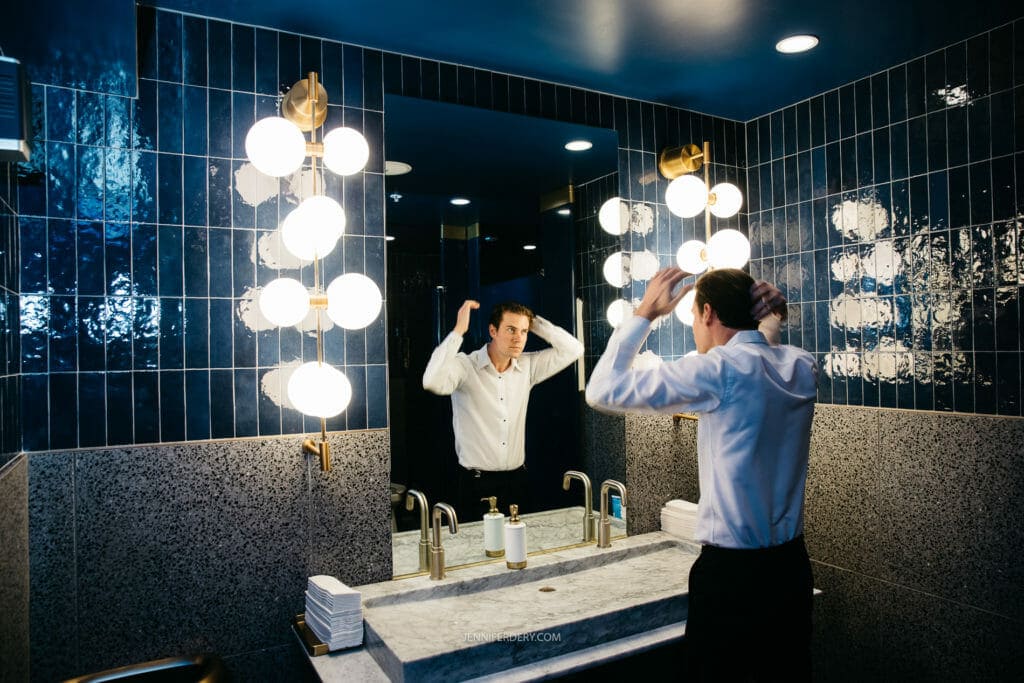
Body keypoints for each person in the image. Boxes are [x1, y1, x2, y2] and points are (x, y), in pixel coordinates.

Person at [585, 266, 817, 682]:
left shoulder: (716, 371)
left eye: (693, 316)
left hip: (732, 580)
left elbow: (602, 391)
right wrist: (770, 322)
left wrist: (645, 313)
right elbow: (764, 356)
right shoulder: (801, 367)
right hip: (790, 571)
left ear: (707, 312)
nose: (694, 326)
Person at [423, 300, 584, 522]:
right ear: (493, 331)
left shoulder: (528, 366)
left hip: (517, 482)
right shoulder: (465, 366)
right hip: (476, 484)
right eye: (510, 329)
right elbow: (431, 381)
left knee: (520, 552)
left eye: (523, 331)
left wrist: (534, 323)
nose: (518, 338)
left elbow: (574, 349)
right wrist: (458, 331)